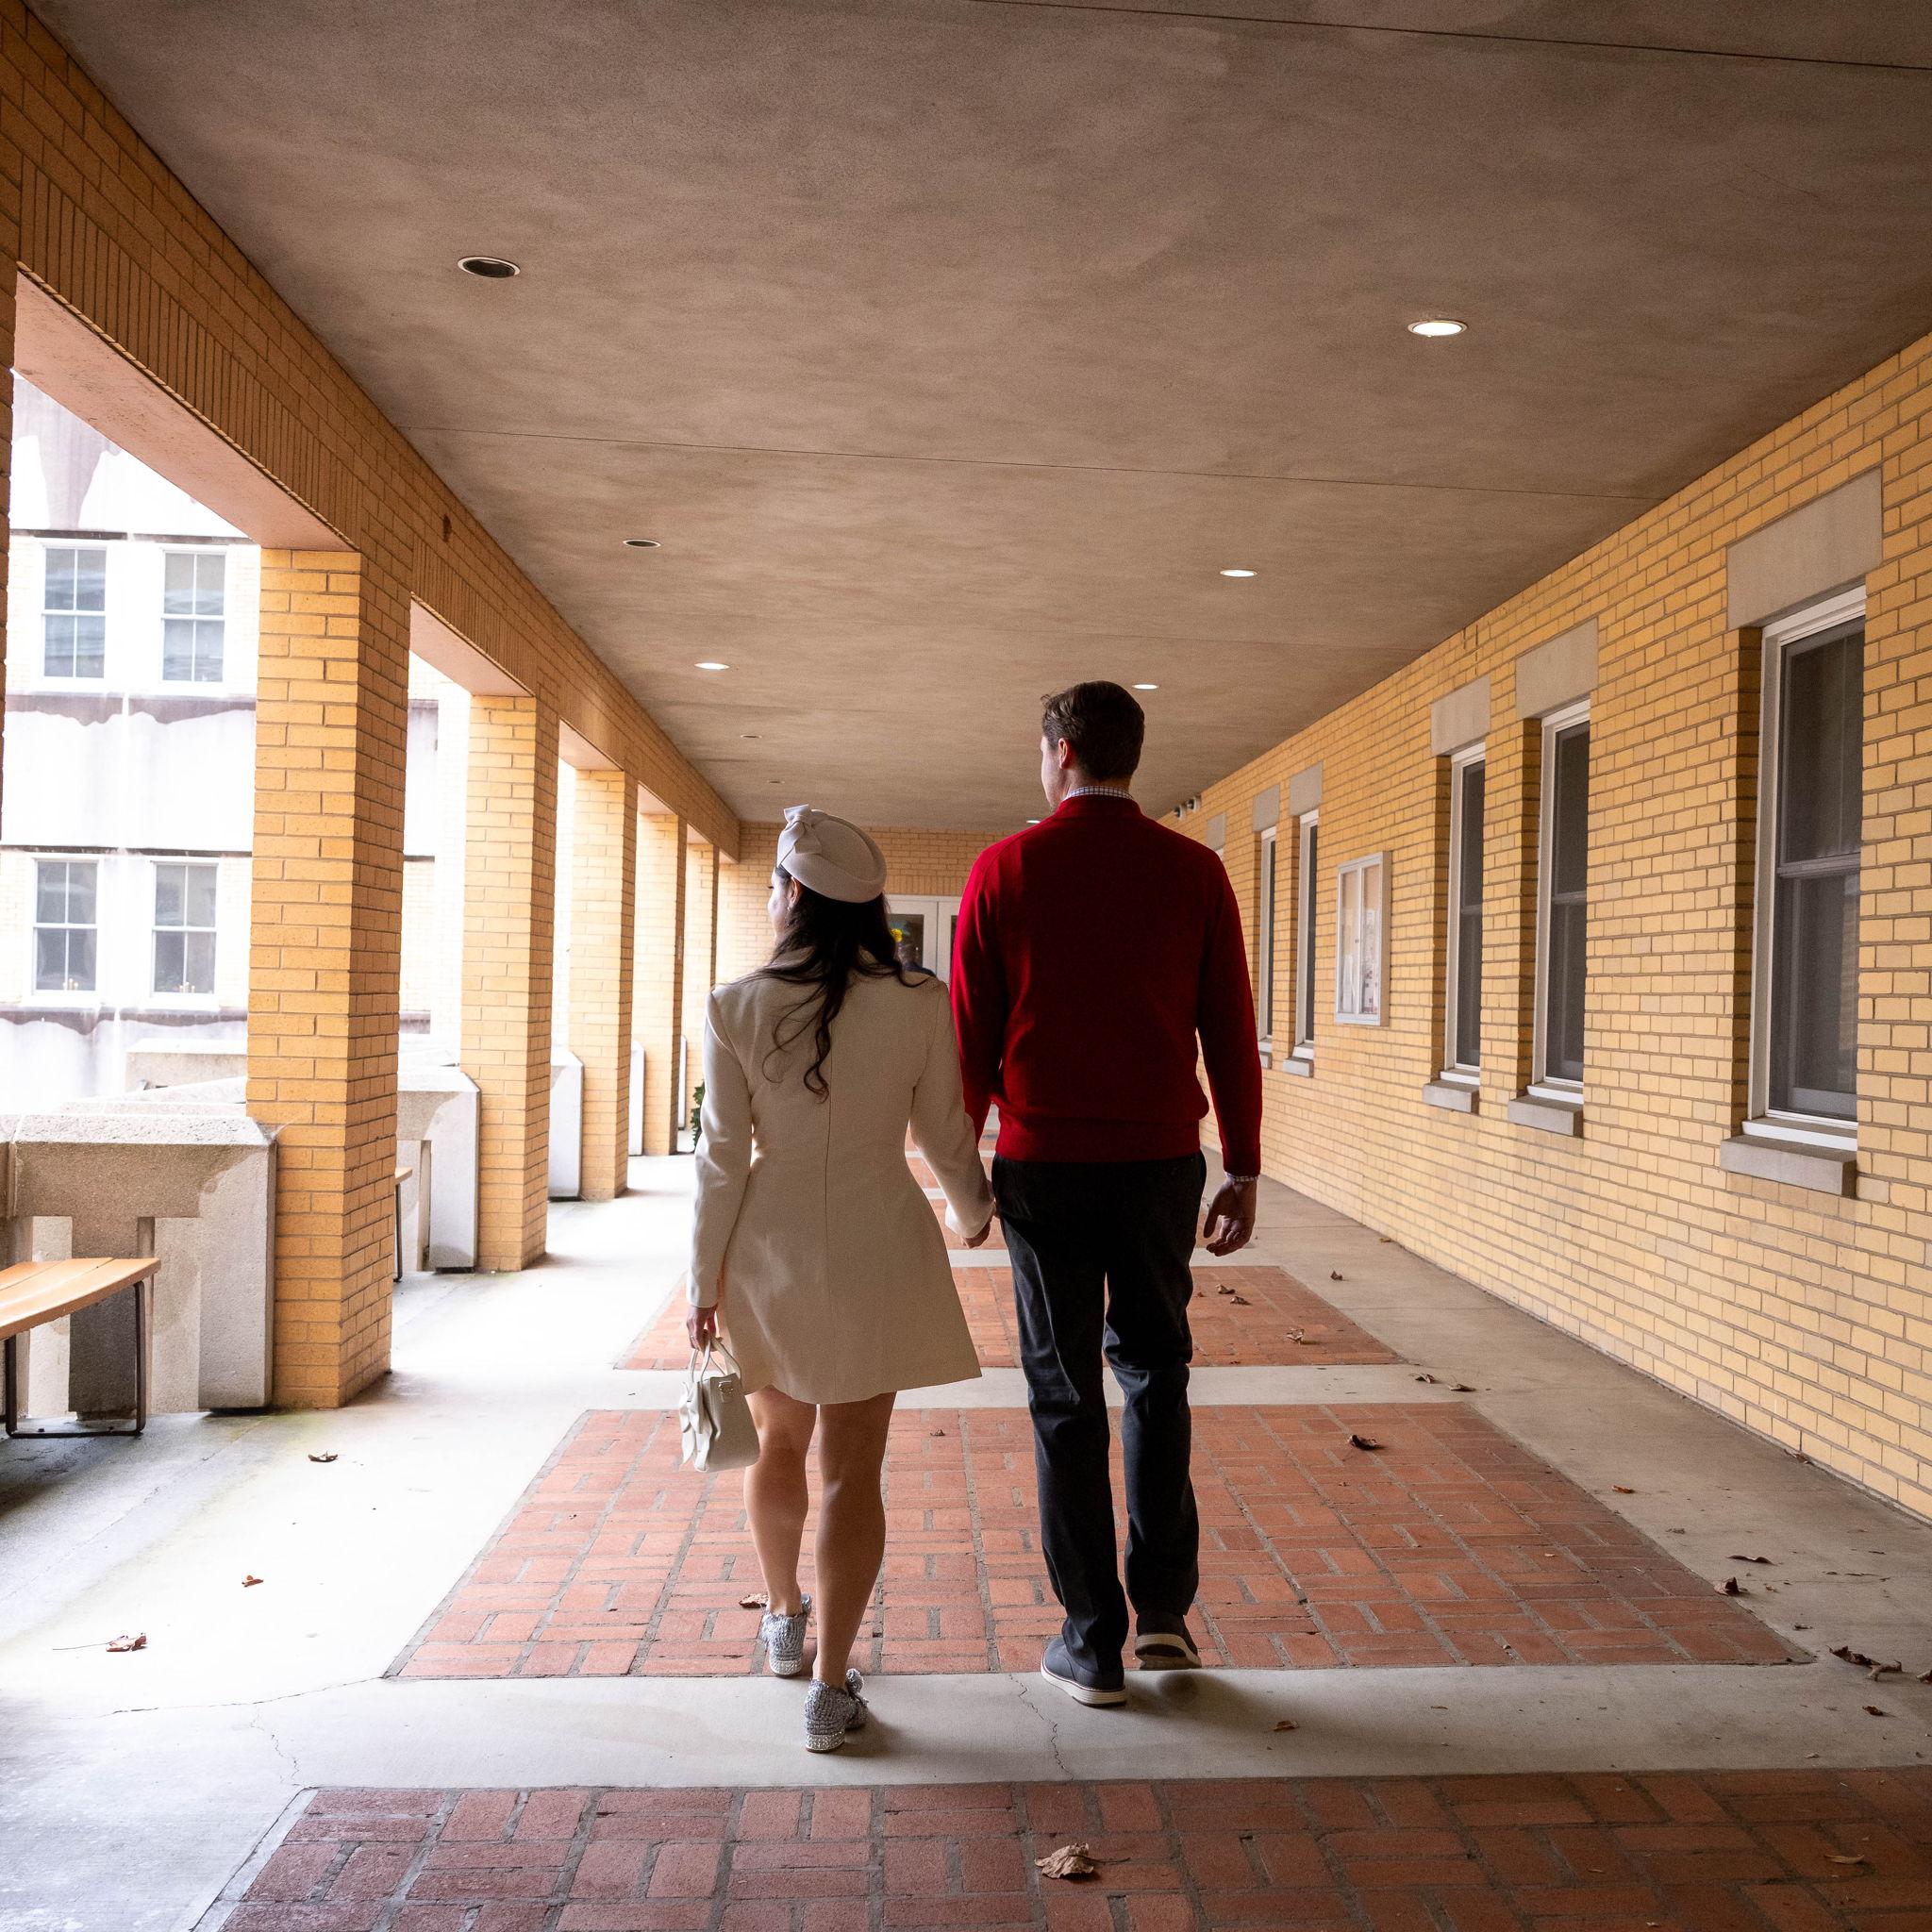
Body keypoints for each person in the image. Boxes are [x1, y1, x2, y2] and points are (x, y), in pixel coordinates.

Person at [950, 681, 1262, 1707]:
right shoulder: (1194, 871)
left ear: (1060, 751)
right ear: (1129, 755)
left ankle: (1091, 1642)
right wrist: (1243, 1163)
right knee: (1157, 1372)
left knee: (1063, 1392)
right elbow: (1229, 1024)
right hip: (1161, 1165)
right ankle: (1164, 1612)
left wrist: (961, 1176)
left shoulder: (1004, 869)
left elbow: (970, 1038)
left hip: (1043, 1166)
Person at [688, 805, 993, 1753]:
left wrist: (701, 1281)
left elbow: (719, 1158)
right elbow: (943, 1131)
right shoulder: (917, 1000)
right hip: (878, 1245)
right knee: (854, 1468)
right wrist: (973, 1210)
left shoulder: (734, 1005)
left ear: (791, 894)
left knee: (777, 1444)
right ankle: (829, 1688)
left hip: (767, 1249)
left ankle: (783, 1616)